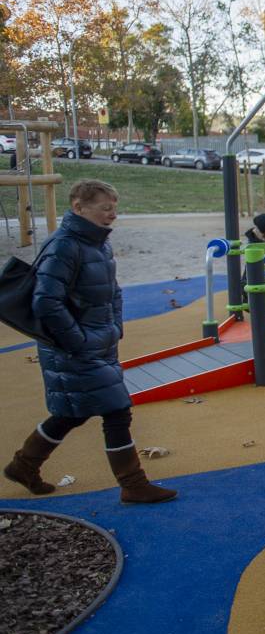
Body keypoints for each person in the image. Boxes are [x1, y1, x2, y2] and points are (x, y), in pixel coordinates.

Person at [4, 180, 176, 504]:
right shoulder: (65, 246)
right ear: (79, 207)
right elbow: (46, 301)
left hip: (97, 343)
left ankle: (24, 464)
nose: (113, 214)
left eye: (114, 208)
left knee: (73, 411)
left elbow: (113, 291)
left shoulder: (97, 244)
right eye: (105, 208)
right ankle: (133, 484)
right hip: (75, 348)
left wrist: (115, 326)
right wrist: (79, 340)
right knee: (116, 410)